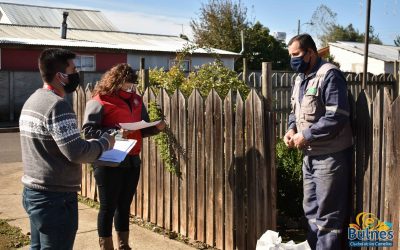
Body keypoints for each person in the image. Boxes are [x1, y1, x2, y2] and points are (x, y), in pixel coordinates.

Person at [19, 48, 116, 250]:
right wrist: (105, 143)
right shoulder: (57, 106)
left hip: (33, 192)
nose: (77, 74)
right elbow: (76, 151)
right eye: (73, 69)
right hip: (55, 198)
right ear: (60, 76)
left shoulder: (32, 100)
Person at [82, 63, 165, 250]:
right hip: (109, 161)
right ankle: (106, 246)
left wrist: (155, 128)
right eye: (125, 84)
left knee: (124, 205)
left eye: (131, 84)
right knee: (108, 207)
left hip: (133, 159)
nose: (129, 88)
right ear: (115, 81)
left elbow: (141, 130)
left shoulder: (137, 99)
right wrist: (115, 131)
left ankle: (123, 245)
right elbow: (88, 131)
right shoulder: (100, 99)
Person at [284, 34, 353, 250]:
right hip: (310, 157)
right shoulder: (299, 79)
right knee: (311, 212)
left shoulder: (329, 75)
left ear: (310, 53)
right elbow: (295, 112)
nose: (292, 59)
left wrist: (306, 135)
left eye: (296, 54)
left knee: (328, 217)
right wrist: (291, 129)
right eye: (290, 55)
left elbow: (337, 115)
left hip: (330, 158)